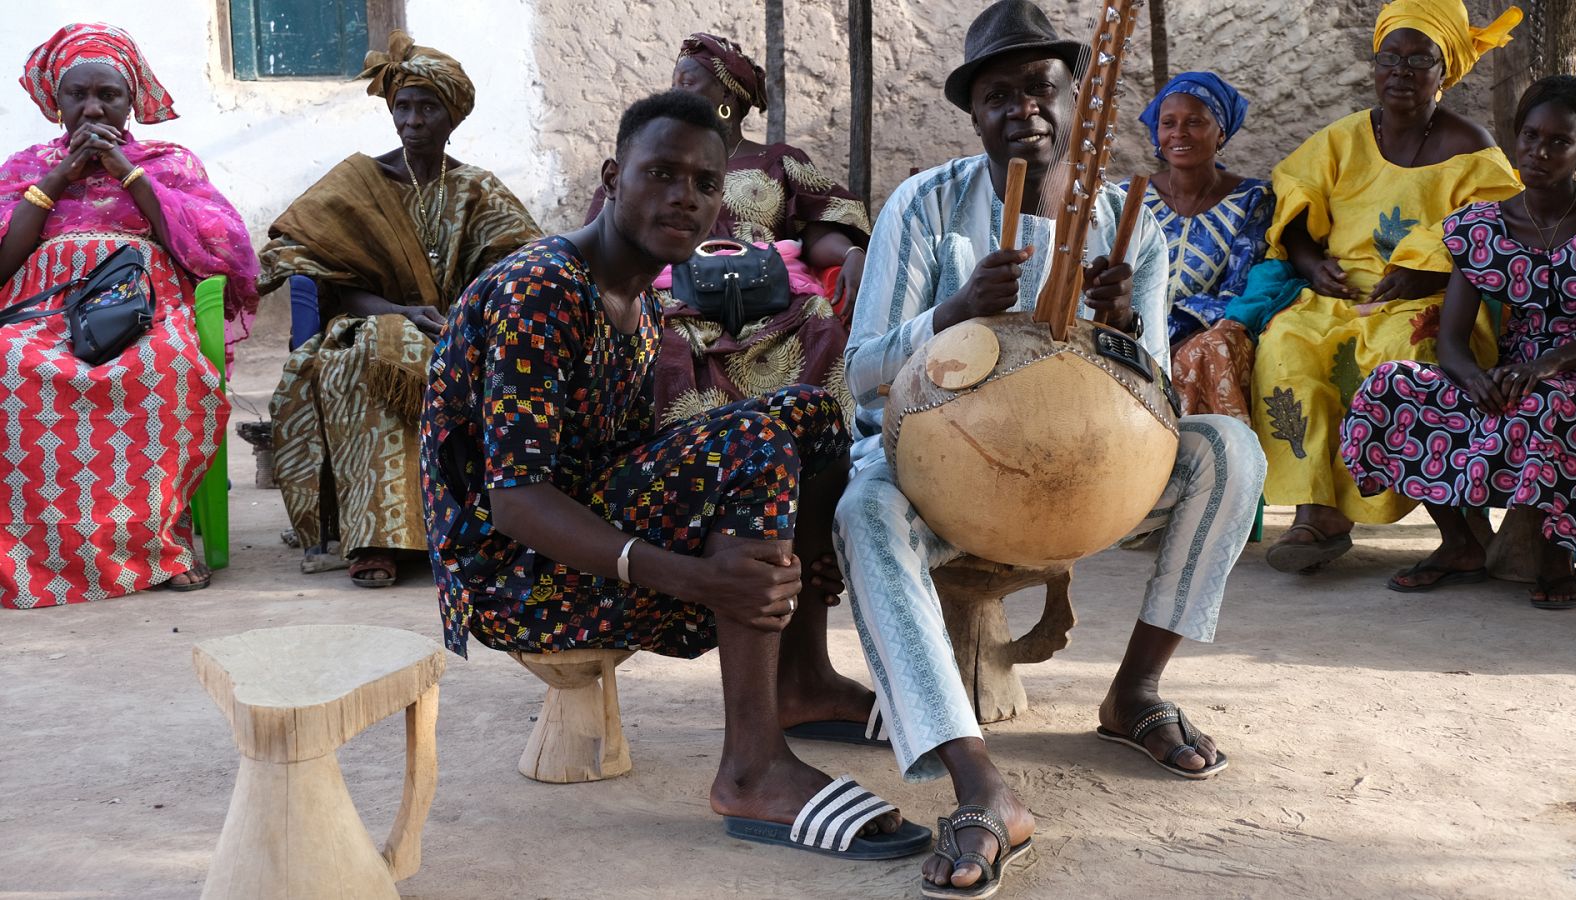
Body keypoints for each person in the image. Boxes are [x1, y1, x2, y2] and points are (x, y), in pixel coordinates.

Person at [421, 91, 928, 859]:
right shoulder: (544, 289)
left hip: (581, 535)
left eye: (705, 182)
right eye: (660, 172)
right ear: (612, 177)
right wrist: (697, 581)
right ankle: (752, 769)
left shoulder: (643, 307)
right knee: (753, 441)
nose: (684, 196)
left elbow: (639, 462)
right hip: (513, 578)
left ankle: (800, 679)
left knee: (810, 415)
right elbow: (516, 500)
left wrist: (801, 547)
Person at [835, 3, 1266, 897]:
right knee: (862, 508)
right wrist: (950, 314)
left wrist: (1120, 327)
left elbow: (1156, 396)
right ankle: (979, 784)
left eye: (1039, 87)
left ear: (1073, 96)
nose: (1020, 107)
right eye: (997, 94)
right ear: (973, 111)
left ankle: (1135, 693)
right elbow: (858, 374)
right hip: (945, 482)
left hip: (1090, 476)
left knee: (1227, 449)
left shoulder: (1127, 220)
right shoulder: (927, 204)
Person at [259, 31, 540, 589]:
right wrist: (399, 310)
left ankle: (457, 530)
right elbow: (317, 274)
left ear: (452, 116)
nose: (412, 120)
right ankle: (375, 538)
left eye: (427, 107)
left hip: (460, 330)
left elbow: (521, 268)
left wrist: (463, 320)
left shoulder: (477, 191)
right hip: (366, 324)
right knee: (374, 351)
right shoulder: (356, 183)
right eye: (402, 106)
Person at [1256, 0, 1524, 573]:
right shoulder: (1342, 140)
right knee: (1287, 345)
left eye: (1419, 58)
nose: (1400, 70)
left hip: (1433, 300)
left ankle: (1378, 511)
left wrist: (1424, 272)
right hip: (1340, 296)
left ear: (1445, 70)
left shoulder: (1472, 149)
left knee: (1400, 351)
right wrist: (1309, 264)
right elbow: (1296, 209)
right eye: (1388, 58)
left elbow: (1499, 237)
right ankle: (1316, 511)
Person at [0, 23, 258, 607]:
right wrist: (58, 178)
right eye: (78, 95)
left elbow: (213, 251)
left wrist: (128, 172)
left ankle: (159, 545)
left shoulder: (167, 162)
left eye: (107, 96)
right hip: (43, 313)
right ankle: (28, 554)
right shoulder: (25, 167)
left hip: (142, 310)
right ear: (55, 101)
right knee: (8, 364)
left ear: (131, 99)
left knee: (166, 368)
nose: (92, 109)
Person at [1342, 75, 1576, 608]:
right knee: (1391, 384)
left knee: (1552, 404)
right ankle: (1459, 543)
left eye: (1559, 142)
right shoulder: (1480, 226)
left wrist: (1551, 363)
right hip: (1508, 375)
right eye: (1530, 137)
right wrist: (1474, 379)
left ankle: (1554, 556)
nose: (1539, 152)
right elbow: (1453, 339)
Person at [585, 32, 870, 428]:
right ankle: (686, 465)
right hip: (673, 298)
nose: (675, 92)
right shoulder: (648, 165)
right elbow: (607, 234)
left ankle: (822, 457)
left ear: (728, 97)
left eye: (687, 83)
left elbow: (816, 228)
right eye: (673, 83)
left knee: (818, 320)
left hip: (771, 297)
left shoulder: (778, 161)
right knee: (662, 341)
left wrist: (851, 254)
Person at [1127, 72, 1272, 423]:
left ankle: (1215, 467)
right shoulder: (1131, 197)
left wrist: (1174, 341)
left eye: (1195, 122)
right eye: (1168, 123)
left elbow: (1239, 289)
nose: (1179, 133)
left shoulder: (1252, 200)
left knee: (1212, 349)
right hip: (1133, 328)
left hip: (1205, 333)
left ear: (1220, 131)